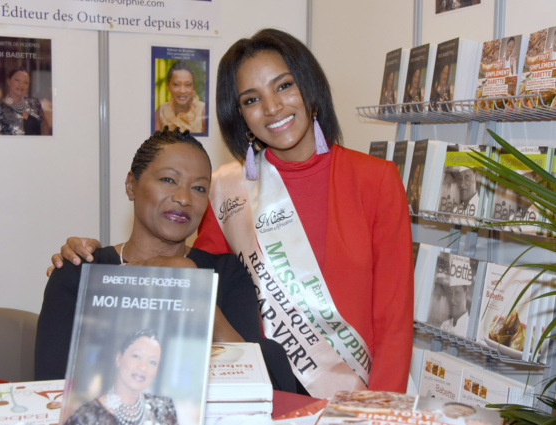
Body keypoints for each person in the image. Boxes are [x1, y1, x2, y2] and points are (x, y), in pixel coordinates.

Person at [52, 29, 413, 398]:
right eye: (252, 99)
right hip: (263, 393)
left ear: (310, 87)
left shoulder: (375, 180)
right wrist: (93, 266)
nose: (272, 108)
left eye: (284, 86)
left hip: (355, 395)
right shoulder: (228, 188)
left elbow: (394, 318)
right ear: (239, 115)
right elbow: (188, 271)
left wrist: (380, 411)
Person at [35, 128, 295, 393]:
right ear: (131, 185)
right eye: (169, 180)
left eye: (198, 188)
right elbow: (50, 387)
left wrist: (197, 296)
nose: (184, 198)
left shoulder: (226, 273)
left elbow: (259, 389)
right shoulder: (81, 271)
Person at [64, 329, 178, 425]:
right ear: (119, 358)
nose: (143, 367)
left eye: (152, 362)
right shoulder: (87, 415)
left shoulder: (163, 408)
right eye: (136, 356)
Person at [0, 67, 50, 135]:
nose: (21, 85)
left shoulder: (34, 103)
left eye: (26, 82)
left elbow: (44, 128)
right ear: (9, 81)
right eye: (17, 80)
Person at [154, 61, 206, 134]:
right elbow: (154, 143)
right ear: (168, 86)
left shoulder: (203, 111)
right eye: (176, 84)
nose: (182, 91)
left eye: (187, 85)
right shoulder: (161, 112)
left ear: (193, 86)